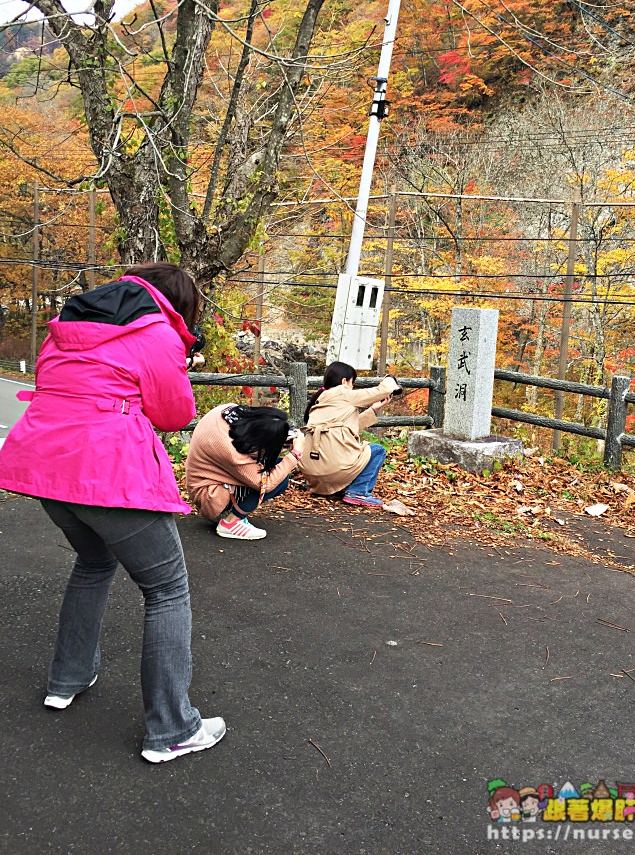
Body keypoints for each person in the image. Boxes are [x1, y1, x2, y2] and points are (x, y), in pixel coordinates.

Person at [0, 262, 225, 763]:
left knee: (94, 562)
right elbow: (175, 414)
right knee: (167, 589)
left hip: (45, 468)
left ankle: (67, 679)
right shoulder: (157, 333)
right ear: (179, 303)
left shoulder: (65, 328)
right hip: (107, 473)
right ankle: (171, 728)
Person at [186, 404, 306, 540]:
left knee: (277, 466)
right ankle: (230, 523)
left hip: (210, 480)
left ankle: (232, 512)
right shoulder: (230, 452)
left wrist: (282, 439)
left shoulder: (231, 412)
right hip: (210, 496)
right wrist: (295, 454)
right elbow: (266, 484)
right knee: (279, 479)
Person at [298, 361, 401, 507]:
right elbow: (380, 391)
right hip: (333, 469)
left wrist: (373, 409)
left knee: (358, 452)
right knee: (377, 451)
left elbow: (343, 428)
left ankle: (340, 487)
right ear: (344, 381)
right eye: (353, 383)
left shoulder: (320, 400)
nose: (352, 387)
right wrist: (390, 379)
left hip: (312, 473)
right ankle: (358, 492)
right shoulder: (344, 393)